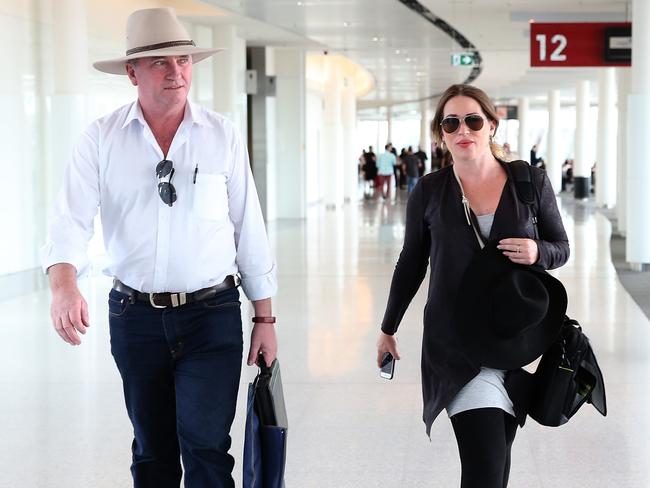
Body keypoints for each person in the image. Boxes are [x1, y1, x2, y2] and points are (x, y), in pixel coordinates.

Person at [41, 8, 278, 487]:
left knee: (207, 448)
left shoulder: (222, 135)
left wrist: (265, 319)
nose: (177, 72)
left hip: (211, 315)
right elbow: (69, 221)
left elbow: (247, 228)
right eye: (161, 63)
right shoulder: (101, 139)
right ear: (132, 72)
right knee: (152, 453)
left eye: (184, 61)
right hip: (135, 318)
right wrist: (63, 285)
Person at [376, 84, 569, 488]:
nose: (463, 129)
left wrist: (538, 252)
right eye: (451, 122)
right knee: (484, 467)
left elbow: (561, 248)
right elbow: (411, 263)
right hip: (457, 345)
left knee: (497, 466)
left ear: (491, 125)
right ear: (441, 133)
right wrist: (388, 329)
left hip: (516, 343)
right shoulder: (429, 191)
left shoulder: (529, 182)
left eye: (473, 120)